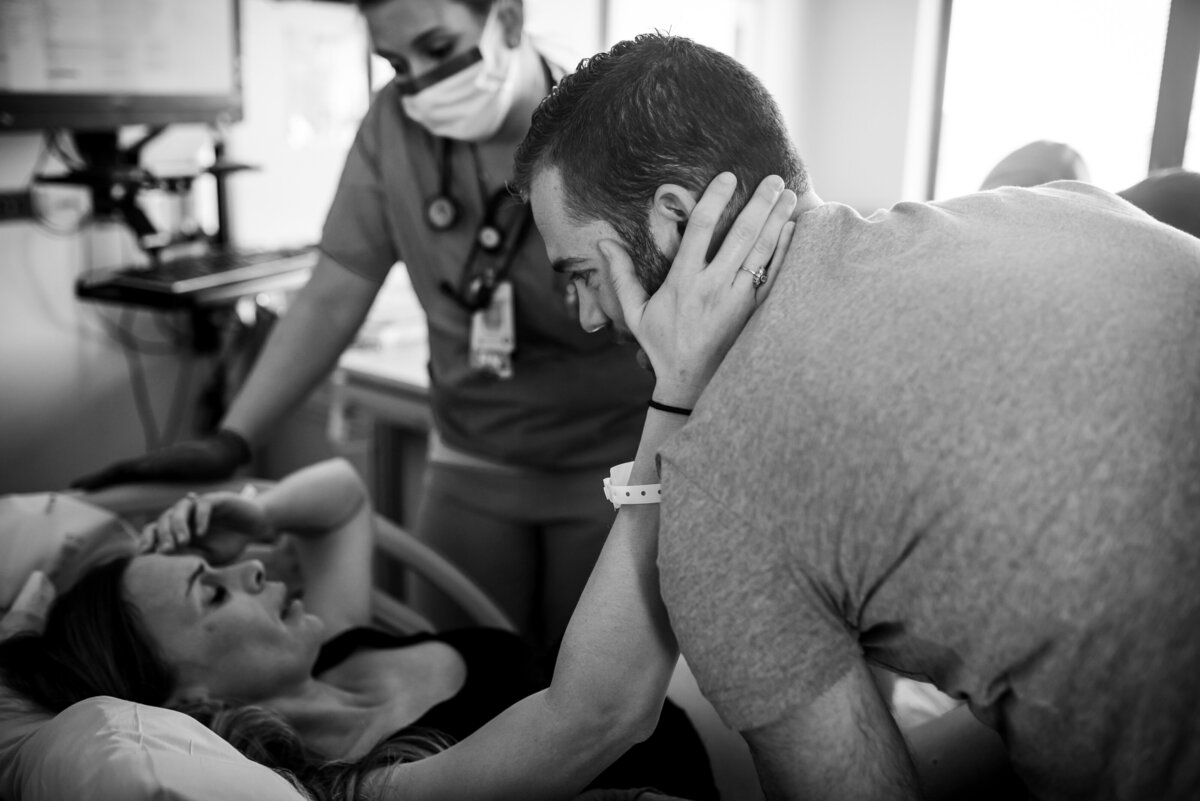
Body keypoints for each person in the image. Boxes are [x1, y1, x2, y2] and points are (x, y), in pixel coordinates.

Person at [511, 33, 1200, 801]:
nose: (587, 315)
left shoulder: (728, 482)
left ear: (676, 220)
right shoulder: (1065, 208)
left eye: (583, 273)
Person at [1, 176, 798, 801]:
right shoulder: (358, 785)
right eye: (211, 593)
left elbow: (342, 500)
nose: (252, 567)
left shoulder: (334, 650)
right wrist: (677, 390)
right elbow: (599, 715)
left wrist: (254, 508)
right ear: (192, 702)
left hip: (692, 743)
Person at [71, 0, 655, 663]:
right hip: (471, 455)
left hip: (611, 463)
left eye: (439, 48)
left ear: (509, 21)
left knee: (591, 684)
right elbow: (332, 295)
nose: (420, 83)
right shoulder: (393, 128)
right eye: (396, 63)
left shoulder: (607, 128)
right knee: (461, 669)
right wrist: (233, 438)